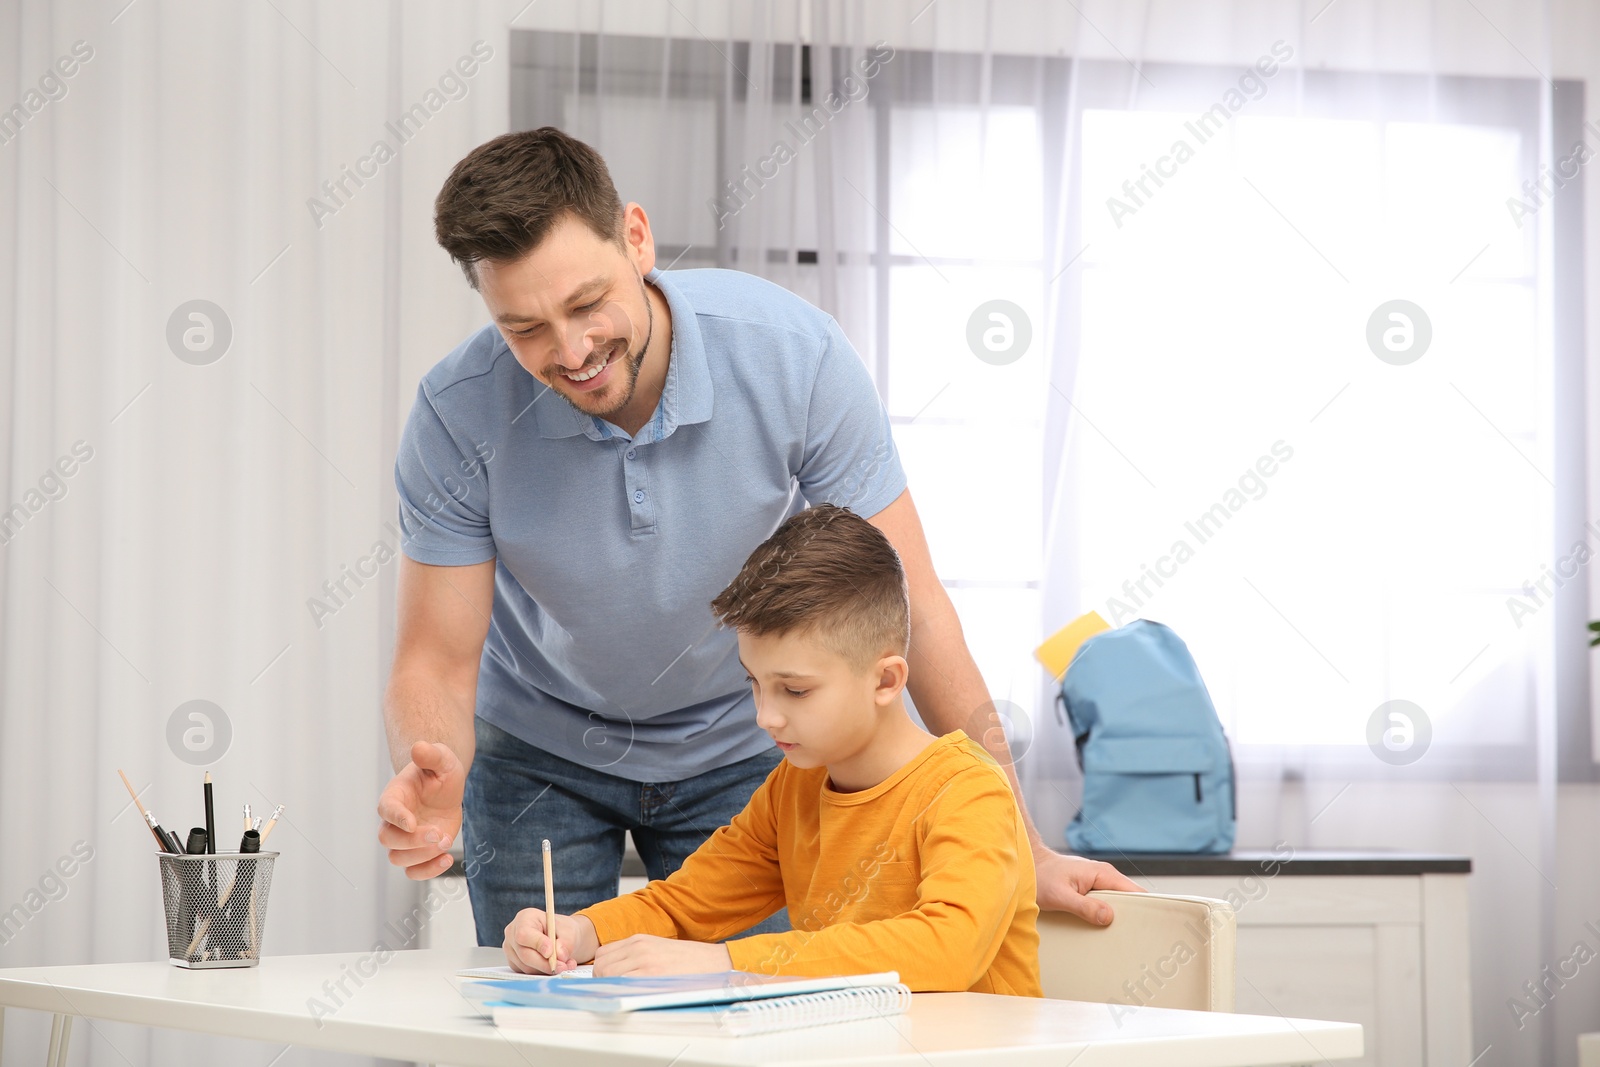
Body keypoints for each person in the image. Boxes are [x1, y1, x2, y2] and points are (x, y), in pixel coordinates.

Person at [376, 126, 1139, 946]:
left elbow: (914, 606)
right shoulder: (458, 413)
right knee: (538, 997)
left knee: (760, 1007)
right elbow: (436, 659)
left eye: (587, 303)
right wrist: (434, 765)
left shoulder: (793, 357)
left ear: (636, 238)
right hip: (539, 749)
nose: (572, 351)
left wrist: (1021, 841)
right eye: (524, 328)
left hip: (745, 744)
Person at [503, 505, 1040, 994]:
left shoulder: (968, 790)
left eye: (796, 690)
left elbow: (946, 950)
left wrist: (725, 962)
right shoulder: (794, 785)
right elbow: (687, 902)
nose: (766, 716)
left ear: (886, 681)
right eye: (754, 683)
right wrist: (579, 932)